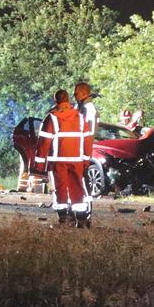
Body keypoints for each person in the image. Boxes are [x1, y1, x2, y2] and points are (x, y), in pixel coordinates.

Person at [40, 89, 92, 227]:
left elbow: (44, 142)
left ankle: (63, 218)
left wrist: (39, 165)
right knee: (78, 188)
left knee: (60, 188)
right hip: (77, 161)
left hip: (58, 161)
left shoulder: (51, 118)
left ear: (55, 100)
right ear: (68, 99)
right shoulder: (80, 117)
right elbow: (87, 140)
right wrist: (86, 159)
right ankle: (81, 219)